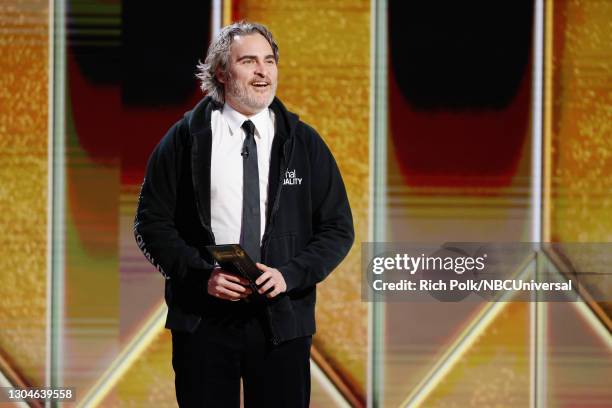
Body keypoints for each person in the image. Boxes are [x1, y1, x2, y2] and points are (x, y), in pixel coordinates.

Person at [134, 21, 354, 407]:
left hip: (281, 320)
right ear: (222, 71)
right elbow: (151, 224)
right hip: (204, 319)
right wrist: (201, 276)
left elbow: (338, 228)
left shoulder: (304, 142)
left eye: (269, 61)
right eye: (249, 60)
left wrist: (290, 275)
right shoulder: (185, 138)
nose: (262, 71)